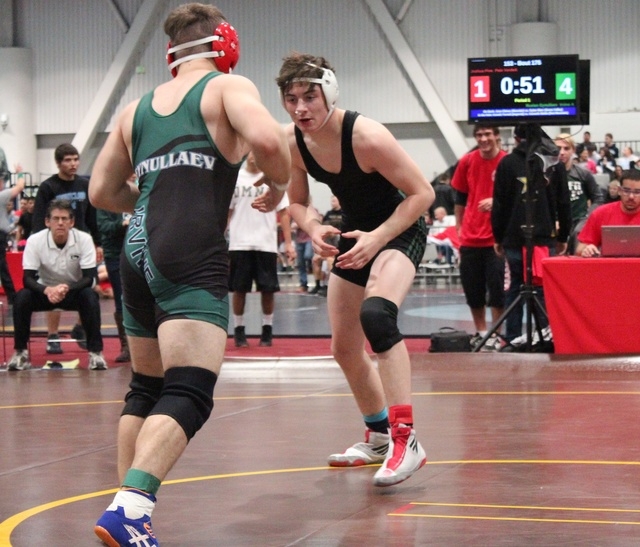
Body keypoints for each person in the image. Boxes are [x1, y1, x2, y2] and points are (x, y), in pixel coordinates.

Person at [88, 4, 290, 546]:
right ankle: (131, 509)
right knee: (191, 391)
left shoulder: (138, 109)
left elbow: (101, 193)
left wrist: (151, 203)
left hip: (136, 248)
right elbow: (271, 142)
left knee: (146, 387)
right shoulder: (227, 89)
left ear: (173, 53)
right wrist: (279, 185)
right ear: (225, 45)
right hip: (190, 249)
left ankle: (125, 505)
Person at [276, 52, 433, 487]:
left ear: (330, 93)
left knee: (377, 317)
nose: (301, 108)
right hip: (354, 235)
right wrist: (313, 227)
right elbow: (298, 201)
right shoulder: (294, 141)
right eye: (292, 99)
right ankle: (380, 436)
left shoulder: (366, 136)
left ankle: (407, 441)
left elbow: (422, 194)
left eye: (310, 97)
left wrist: (378, 238)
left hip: (398, 230)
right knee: (345, 348)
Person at [492, 125, 572, 347]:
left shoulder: (507, 163)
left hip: (514, 239)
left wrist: (498, 237)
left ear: (517, 138)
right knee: (543, 290)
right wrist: (563, 235)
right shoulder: (554, 164)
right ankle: (545, 338)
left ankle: (511, 339)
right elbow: (564, 203)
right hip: (544, 238)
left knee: (515, 288)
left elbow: (499, 204)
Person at [6, 200, 106, 371]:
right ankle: (20, 353)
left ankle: (95, 354)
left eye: (65, 218)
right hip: (45, 292)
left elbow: (90, 278)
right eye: (56, 218)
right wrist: (47, 290)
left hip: (74, 290)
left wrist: (66, 288)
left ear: (72, 222)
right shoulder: (35, 241)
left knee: (90, 296)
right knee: (22, 297)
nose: (60, 223)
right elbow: (27, 279)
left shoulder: (84, 239)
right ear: (47, 222)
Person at [32, 143, 103, 354]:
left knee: (88, 286)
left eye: (75, 159)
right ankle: (52, 335)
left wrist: (97, 242)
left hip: (80, 244)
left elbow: (91, 216)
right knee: (54, 287)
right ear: (58, 163)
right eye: (68, 160)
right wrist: (40, 246)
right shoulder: (48, 187)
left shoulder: (84, 184)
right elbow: (38, 221)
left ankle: (80, 326)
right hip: (53, 245)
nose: (73, 164)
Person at [228, 151, 294, 347]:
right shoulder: (235, 178)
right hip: (240, 242)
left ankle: (267, 330)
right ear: (245, 154)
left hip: (266, 243)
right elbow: (228, 211)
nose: (254, 157)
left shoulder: (273, 178)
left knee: (268, 290)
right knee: (239, 289)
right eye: (251, 153)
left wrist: (289, 243)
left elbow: (284, 213)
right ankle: (239, 331)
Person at [451, 124, 507, 351]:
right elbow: (460, 198)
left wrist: (496, 202)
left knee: (497, 291)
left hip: (496, 239)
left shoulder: (506, 162)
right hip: (470, 239)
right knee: (473, 290)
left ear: (496, 136)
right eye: (479, 135)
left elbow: (514, 196)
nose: (483, 138)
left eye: (487, 134)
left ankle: (496, 334)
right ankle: (481, 332)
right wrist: (459, 227)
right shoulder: (467, 161)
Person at [97, 183, 133, 362]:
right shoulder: (107, 197)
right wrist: (122, 223)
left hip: (139, 250)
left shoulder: (143, 190)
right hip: (116, 254)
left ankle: (146, 342)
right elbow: (104, 227)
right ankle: (126, 346)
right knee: (121, 298)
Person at [554, 133, 603, 255]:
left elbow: (598, 198)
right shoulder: (547, 174)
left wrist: (588, 218)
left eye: (566, 148)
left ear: (573, 150)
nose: (562, 152)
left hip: (579, 223)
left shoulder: (583, 174)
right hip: (555, 225)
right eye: (558, 148)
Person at [575, 169, 640, 257]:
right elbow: (580, 248)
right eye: (626, 191)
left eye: (637, 192)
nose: (631, 197)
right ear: (619, 191)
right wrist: (586, 249)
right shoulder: (601, 213)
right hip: (608, 267)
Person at [309, 194, 344, 296]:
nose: (332, 203)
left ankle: (329, 287)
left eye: (334, 201)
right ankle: (318, 285)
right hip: (330, 246)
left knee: (329, 261)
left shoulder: (344, 213)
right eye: (331, 201)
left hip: (340, 248)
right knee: (315, 259)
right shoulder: (328, 214)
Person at [0, 170, 25, 305]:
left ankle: (12, 296)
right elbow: (20, 187)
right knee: (2, 266)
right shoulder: (2, 196)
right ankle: (12, 297)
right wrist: (20, 174)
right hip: (0, 234)